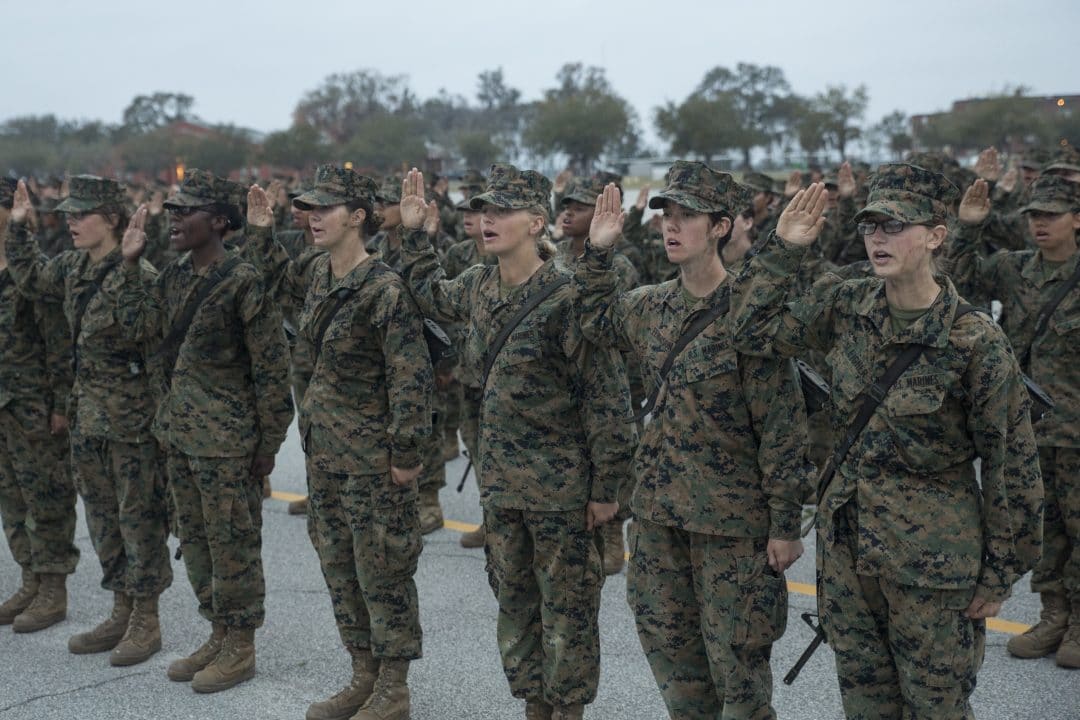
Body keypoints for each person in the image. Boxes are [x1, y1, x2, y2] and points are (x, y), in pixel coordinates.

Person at [733, 165, 1044, 718]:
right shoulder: (847, 305)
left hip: (932, 568)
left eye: (895, 226)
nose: (878, 238)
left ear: (935, 235)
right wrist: (783, 249)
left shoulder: (973, 340)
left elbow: (1010, 464)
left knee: (937, 707)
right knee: (865, 705)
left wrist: (999, 574)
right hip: (849, 557)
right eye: (870, 226)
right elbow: (753, 333)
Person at [400, 165, 636, 720]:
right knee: (514, 603)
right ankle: (534, 703)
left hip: (561, 490)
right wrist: (414, 235)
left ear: (537, 222)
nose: (487, 220)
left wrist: (607, 491)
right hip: (503, 487)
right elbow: (429, 293)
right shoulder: (480, 285)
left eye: (502, 211)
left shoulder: (568, 296)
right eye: (483, 210)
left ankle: (569, 708)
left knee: (568, 610)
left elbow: (608, 402)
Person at [576, 163, 809, 719]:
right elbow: (594, 324)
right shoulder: (650, 306)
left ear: (723, 227)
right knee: (675, 667)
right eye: (667, 217)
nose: (671, 228)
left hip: (732, 527)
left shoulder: (750, 316)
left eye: (688, 217)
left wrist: (784, 525)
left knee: (740, 675)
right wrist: (598, 254)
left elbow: (782, 428)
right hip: (658, 520)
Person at [245, 165, 432, 720]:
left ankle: (393, 688)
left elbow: (410, 378)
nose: (311, 218)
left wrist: (406, 457)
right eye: (307, 208)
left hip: (374, 464)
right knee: (340, 569)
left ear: (357, 217)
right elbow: (271, 283)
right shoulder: (317, 274)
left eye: (324, 209)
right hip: (325, 457)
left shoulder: (384, 290)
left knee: (384, 573)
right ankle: (363, 674)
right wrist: (260, 232)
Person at [116, 169, 293, 692]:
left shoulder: (244, 280)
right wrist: (128, 266)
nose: (174, 218)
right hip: (179, 437)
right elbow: (136, 330)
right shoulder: (171, 277)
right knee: (195, 542)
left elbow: (271, 368)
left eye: (185, 210)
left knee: (232, 545)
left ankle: (240, 645)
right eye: (171, 209)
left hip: (227, 443)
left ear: (219, 220)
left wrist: (268, 444)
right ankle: (217, 631)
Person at [5, 176, 172, 663]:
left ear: (113, 219)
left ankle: (146, 618)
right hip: (88, 420)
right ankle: (121, 607)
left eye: (81, 214)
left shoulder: (142, 276)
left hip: (132, 423)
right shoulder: (74, 267)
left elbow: (151, 337)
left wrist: (128, 264)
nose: (70, 221)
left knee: (139, 521)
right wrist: (18, 228)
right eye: (67, 214)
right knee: (103, 521)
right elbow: (32, 277)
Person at [951, 174, 1080, 668]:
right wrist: (967, 228)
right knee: (1043, 531)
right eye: (1033, 214)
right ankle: (1054, 616)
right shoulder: (1013, 268)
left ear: (1076, 219)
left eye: (1051, 214)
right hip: (1028, 430)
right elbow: (955, 279)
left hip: (1077, 434)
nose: (1040, 222)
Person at [0, 179, 79, 634]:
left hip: (32, 403)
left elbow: (59, 343)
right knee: (11, 497)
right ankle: (29, 578)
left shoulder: (33, 274)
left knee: (46, 496)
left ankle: (53, 588)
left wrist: (60, 404)